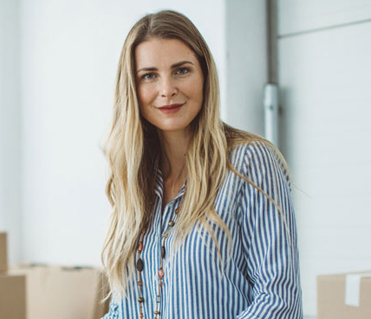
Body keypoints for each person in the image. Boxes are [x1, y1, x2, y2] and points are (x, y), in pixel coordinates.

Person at [101, 9, 302, 319]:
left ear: (205, 75)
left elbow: (278, 302)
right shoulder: (136, 180)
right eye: (149, 75)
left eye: (181, 70)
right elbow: (123, 309)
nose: (167, 89)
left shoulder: (249, 164)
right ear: (133, 89)